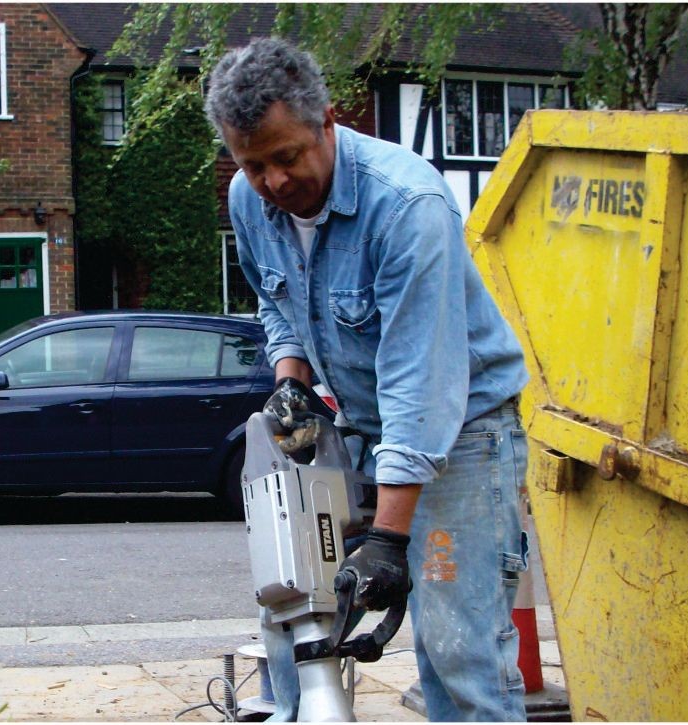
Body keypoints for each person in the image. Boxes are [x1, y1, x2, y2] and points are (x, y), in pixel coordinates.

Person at [205, 37, 531, 722]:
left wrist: (386, 538)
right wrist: (290, 374)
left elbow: (421, 381)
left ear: (327, 122)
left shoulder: (405, 205)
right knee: (293, 607)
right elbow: (275, 298)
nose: (272, 182)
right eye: (251, 163)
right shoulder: (248, 198)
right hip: (355, 424)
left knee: (456, 650)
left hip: (461, 434)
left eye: (286, 156)